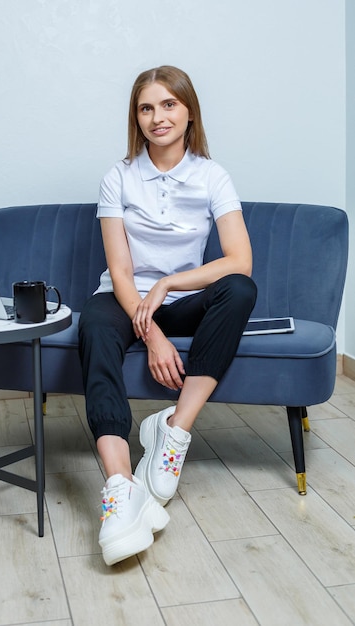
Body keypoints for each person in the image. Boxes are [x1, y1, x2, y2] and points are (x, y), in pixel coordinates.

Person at [78, 65, 257, 566]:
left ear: (189, 111)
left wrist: (168, 284)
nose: (158, 117)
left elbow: (238, 260)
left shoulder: (211, 175)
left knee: (240, 290)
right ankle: (121, 486)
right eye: (146, 108)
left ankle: (174, 429)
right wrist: (151, 332)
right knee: (93, 325)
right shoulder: (118, 176)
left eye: (168, 104)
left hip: (179, 299)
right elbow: (119, 269)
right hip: (123, 301)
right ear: (136, 118)